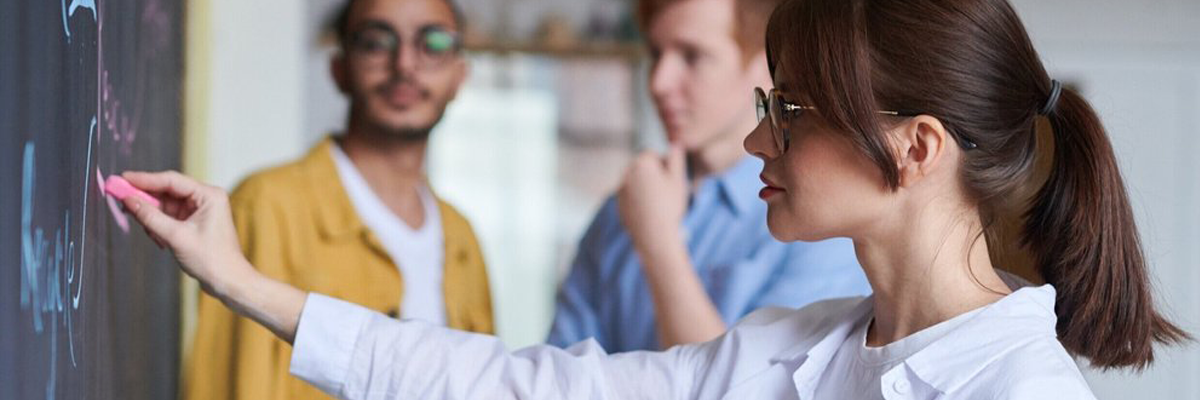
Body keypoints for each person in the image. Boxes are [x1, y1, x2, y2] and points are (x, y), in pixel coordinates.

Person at [128, 0, 1189, 398]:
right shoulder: (793, 346)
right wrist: (245, 282)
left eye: (793, 110)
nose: (753, 137)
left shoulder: (1024, 392)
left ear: (915, 147)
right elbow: (519, 382)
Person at [182, 0, 494, 399]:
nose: (405, 65)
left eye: (432, 43)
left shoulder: (463, 239)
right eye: (376, 42)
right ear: (339, 69)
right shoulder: (267, 206)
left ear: (459, 76)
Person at [547, 0, 869, 352]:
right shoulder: (619, 212)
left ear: (766, 65)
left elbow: (767, 388)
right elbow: (561, 374)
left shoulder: (818, 223)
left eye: (692, 56)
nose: (658, 82)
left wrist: (660, 244)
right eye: (656, 53)